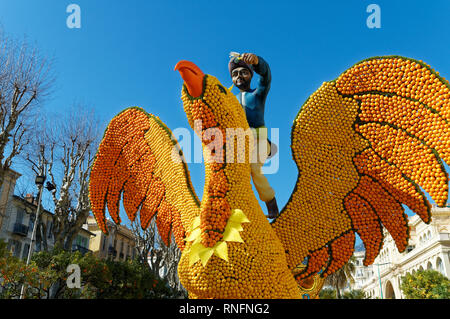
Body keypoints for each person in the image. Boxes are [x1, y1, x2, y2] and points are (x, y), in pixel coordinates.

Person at [228, 52, 279, 219]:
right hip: (241, 143)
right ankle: (241, 208)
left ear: (250, 74)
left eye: (243, 72)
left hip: (260, 140)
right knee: (236, 173)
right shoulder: (231, 100)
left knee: (255, 169)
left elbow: (266, 77)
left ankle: (272, 205)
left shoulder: (257, 94)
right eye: (234, 74)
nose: (239, 77)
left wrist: (258, 62)